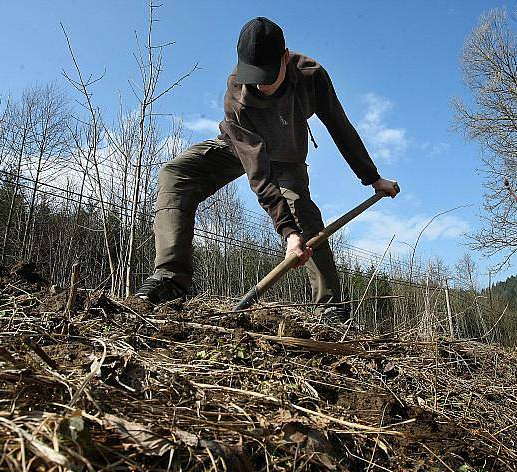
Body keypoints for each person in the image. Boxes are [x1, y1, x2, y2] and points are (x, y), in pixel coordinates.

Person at [136, 16, 398, 321]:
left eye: (269, 75)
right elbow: (257, 171)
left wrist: (372, 177)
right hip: (240, 147)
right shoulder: (237, 94)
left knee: (301, 211)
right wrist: (286, 233)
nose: (261, 84)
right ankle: (171, 280)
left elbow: (339, 125)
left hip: (288, 157)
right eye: (254, 75)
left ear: (285, 58)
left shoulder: (312, 76)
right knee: (176, 173)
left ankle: (330, 308)